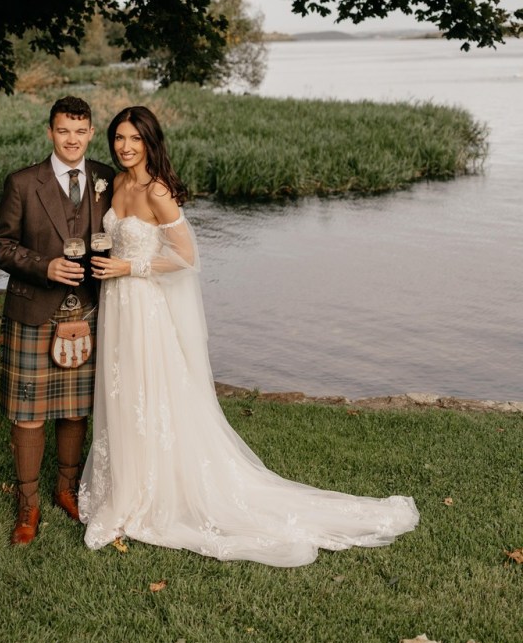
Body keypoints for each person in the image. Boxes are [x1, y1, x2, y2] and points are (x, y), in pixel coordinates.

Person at [79, 106, 419, 565]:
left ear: (150, 142)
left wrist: (129, 265)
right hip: (116, 304)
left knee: (149, 393)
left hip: (144, 307)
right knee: (122, 392)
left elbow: (187, 258)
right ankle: (127, 483)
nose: (124, 147)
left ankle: (157, 490)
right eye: (119, 138)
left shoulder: (158, 191)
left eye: (134, 139)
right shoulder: (116, 183)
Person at [0, 96, 115, 546]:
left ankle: (67, 488)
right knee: (28, 414)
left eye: (80, 132)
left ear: (91, 132)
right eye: (64, 131)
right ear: (50, 132)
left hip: (90, 309)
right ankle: (27, 504)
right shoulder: (23, 183)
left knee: (76, 407)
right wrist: (45, 266)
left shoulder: (107, 178)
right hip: (34, 311)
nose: (72, 140)